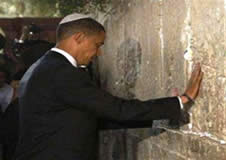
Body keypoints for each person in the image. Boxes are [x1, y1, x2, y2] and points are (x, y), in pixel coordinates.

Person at [14, 13, 203, 160]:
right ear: (79, 37)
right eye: (97, 44)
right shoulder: (61, 72)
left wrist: (159, 117)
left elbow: (95, 117)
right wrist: (181, 100)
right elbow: (117, 109)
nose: (98, 53)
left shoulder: (43, 67)